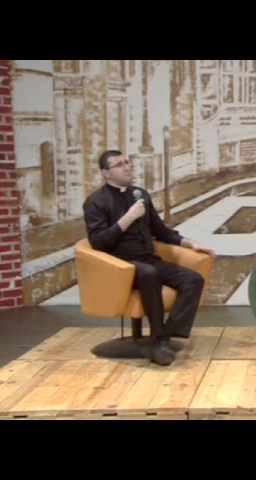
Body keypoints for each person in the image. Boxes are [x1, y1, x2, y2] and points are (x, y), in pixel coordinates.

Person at [82, 150, 217, 366]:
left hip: (148, 259)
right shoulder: (95, 202)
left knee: (193, 280)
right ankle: (158, 337)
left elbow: (159, 230)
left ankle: (162, 340)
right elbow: (98, 242)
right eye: (119, 165)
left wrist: (190, 243)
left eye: (127, 162)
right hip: (119, 266)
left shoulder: (140, 195)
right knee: (148, 273)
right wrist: (129, 217)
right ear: (106, 173)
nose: (127, 167)